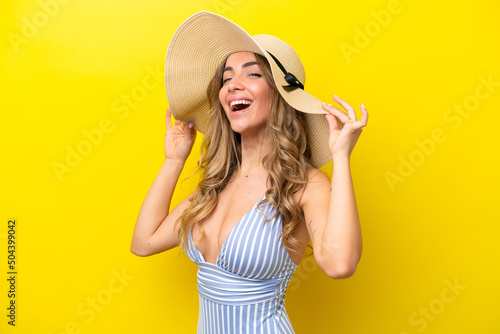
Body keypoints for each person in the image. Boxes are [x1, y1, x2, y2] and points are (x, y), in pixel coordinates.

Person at [131, 11, 368, 333]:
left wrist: (341, 158)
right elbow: (144, 243)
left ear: (281, 96)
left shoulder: (304, 184)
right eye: (226, 78)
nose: (233, 86)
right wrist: (173, 162)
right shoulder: (216, 184)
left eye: (252, 75)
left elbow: (339, 265)